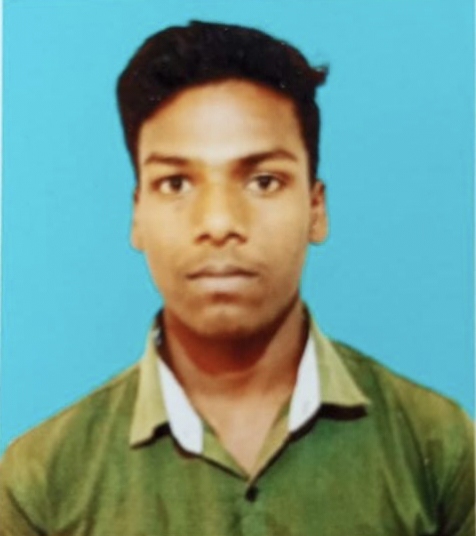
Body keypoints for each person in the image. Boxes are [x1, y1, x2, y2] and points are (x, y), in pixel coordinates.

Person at [0, 20, 473, 536]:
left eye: (263, 181)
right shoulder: (40, 482)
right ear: (137, 216)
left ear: (316, 209)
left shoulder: (440, 447)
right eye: (175, 183)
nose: (220, 222)